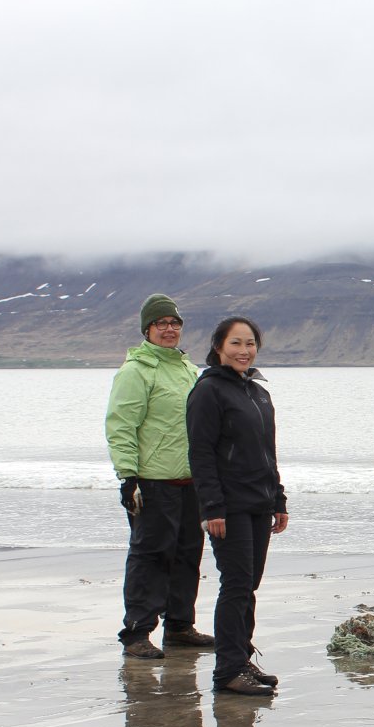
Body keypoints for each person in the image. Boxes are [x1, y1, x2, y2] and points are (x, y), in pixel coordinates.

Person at [105, 294, 213, 659]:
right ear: (147, 329)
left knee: (187, 555)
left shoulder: (187, 369)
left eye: (174, 323)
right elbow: (121, 425)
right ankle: (137, 632)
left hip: (190, 481)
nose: (169, 329)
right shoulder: (135, 371)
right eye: (161, 323)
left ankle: (179, 627)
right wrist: (128, 476)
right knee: (150, 557)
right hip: (152, 481)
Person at [187, 317, 289, 696]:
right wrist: (211, 507)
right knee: (236, 585)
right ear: (218, 347)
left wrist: (278, 499)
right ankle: (227, 671)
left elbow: (267, 452)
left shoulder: (257, 393)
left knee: (249, 586)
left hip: (259, 502)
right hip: (228, 507)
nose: (244, 351)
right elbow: (200, 453)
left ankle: (241, 659)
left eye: (250, 343)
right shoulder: (208, 391)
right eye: (236, 343)